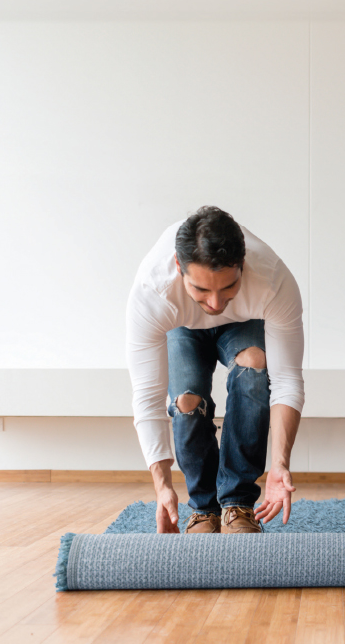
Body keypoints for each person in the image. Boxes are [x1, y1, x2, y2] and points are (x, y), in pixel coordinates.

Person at [126, 206, 305, 535]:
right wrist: (162, 486)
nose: (215, 304)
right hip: (182, 326)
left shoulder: (273, 280)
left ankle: (237, 503)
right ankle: (204, 508)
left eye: (228, 288)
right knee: (186, 400)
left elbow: (287, 382)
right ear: (179, 267)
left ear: (243, 264)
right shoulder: (153, 291)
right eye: (201, 289)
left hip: (243, 323)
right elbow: (148, 397)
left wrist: (280, 464)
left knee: (254, 365)